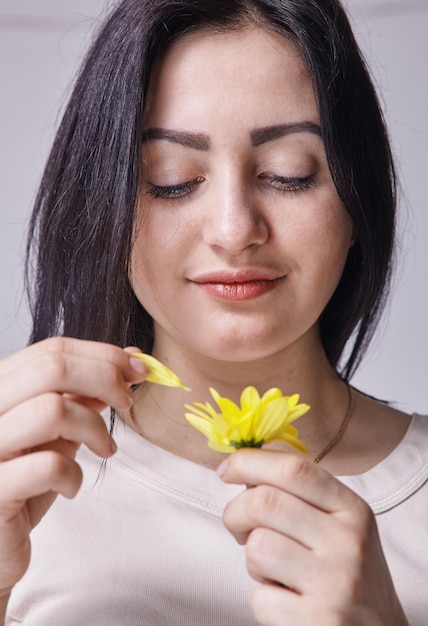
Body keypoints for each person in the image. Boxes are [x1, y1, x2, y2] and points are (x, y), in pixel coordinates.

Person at [1, 0, 427, 624]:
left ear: (357, 201)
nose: (234, 231)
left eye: (289, 174)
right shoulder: (26, 488)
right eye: (170, 180)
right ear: (106, 209)